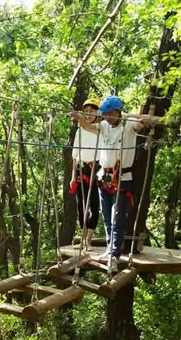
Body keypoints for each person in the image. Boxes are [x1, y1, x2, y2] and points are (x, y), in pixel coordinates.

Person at [70, 96, 155, 272]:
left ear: (118, 112)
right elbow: (88, 127)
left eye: (110, 114)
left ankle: (114, 255)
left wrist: (145, 120)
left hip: (122, 178)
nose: (108, 117)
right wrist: (79, 118)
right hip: (105, 177)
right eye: (105, 114)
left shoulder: (129, 124)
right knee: (107, 218)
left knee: (117, 218)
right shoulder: (103, 126)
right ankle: (109, 250)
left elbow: (140, 125)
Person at [70, 99, 101, 252]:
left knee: (95, 206)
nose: (88, 115)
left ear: (97, 113)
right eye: (86, 112)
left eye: (92, 111)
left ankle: (89, 239)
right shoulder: (80, 131)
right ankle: (83, 239)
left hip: (97, 169)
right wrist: (72, 176)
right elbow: (75, 155)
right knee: (82, 206)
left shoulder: (101, 129)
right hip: (82, 169)